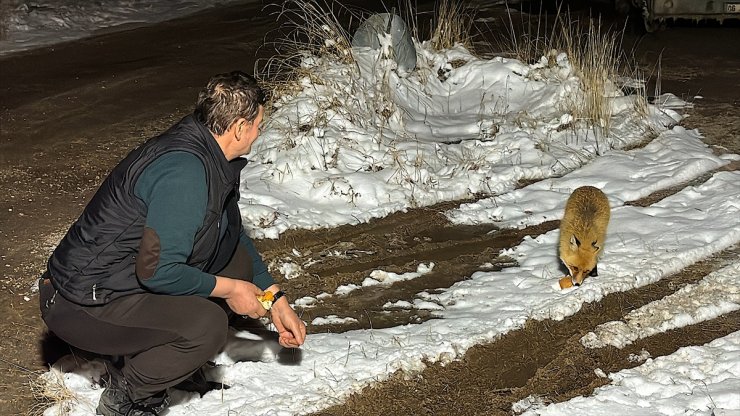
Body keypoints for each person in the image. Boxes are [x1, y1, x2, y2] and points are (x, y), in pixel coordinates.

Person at [38, 71, 306, 416]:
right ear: (239, 127)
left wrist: (275, 297)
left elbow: (232, 233)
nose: (259, 132)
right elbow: (157, 272)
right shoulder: (185, 172)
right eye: (258, 125)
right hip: (79, 303)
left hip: (120, 282)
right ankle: (127, 397)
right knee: (205, 325)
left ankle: (171, 364)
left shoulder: (208, 153)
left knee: (236, 263)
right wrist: (229, 290)